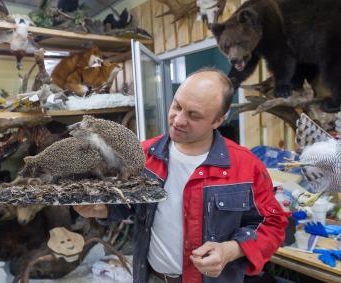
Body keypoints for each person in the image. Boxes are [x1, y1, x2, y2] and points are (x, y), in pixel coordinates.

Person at [75, 68, 288, 283]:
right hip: (152, 277)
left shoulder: (245, 166)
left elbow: (274, 223)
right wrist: (99, 209)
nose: (178, 119)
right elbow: (128, 207)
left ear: (218, 120)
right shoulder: (142, 156)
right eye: (177, 106)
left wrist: (231, 250)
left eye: (194, 115)